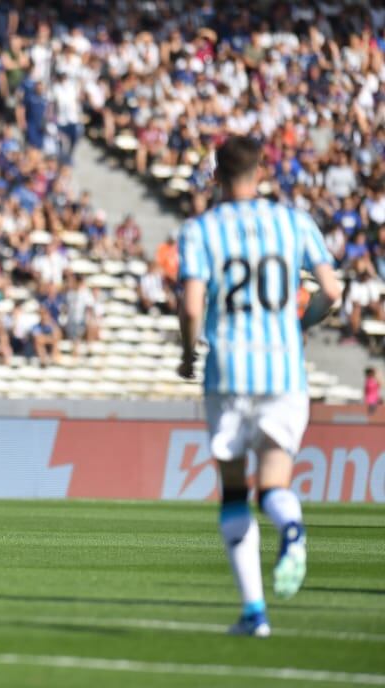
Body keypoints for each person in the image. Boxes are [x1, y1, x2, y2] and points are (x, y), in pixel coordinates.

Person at [177, 136, 342, 637]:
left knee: (233, 491)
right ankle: (290, 527)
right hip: (284, 372)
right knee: (275, 484)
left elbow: (189, 306)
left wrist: (188, 355)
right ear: (262, 171)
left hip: (228, 371)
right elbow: (332, 292)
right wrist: (300, 324)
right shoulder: (293, 222)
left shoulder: (200, 230)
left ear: (216, 175)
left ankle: (255, 613)